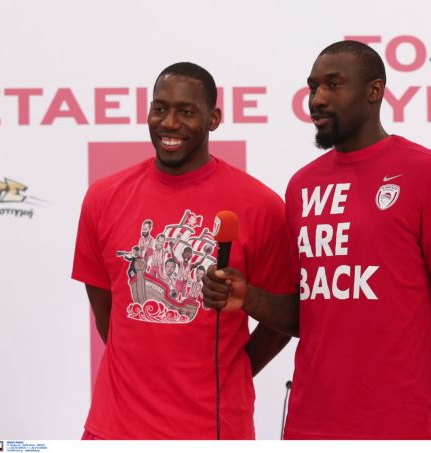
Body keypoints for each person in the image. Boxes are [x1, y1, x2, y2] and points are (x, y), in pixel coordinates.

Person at [202, 41, 431, 440]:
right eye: (312, 87)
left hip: (401, 430)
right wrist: (249, 297)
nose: (317, 99)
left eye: (333, 85)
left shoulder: (429, 175)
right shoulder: (302, 186)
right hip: (308, 428)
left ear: (375, 91)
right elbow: (309, 315)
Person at [72, 62, 295, 439]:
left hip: (212, 430)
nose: (169, 123)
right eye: (160, 109)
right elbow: (106, 310)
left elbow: (285, 319)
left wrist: (234, 372)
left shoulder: (261, 206)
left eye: (186, 111)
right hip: (115, 429)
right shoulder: (103, 197)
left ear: (214, 119)